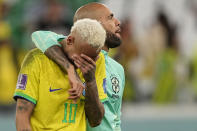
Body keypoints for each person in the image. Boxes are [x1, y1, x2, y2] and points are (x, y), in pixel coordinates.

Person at [32, 2, 125, 131]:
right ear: (93, 25)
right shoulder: (73, 53)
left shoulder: (117, 68)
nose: (118, 22)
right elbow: (40, 35)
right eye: (110, 17)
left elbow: (115, 118)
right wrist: (71, 71)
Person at [14, 19, 107, 131]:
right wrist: (70, 69)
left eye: (92, 58)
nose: (86, 63)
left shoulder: (95, 62)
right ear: (69, 41)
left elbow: (95, 121)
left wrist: (91, 82)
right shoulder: (36, 60)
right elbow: (22, 116)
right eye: (81, 58)